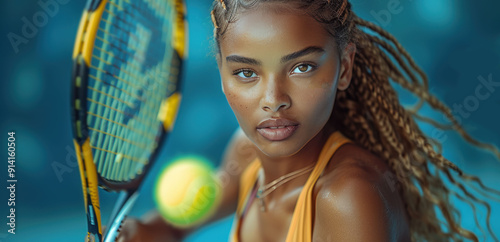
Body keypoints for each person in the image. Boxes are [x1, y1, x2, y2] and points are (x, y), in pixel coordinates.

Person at [118, 0, 500, 241]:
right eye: (246, 73)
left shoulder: (350, 198)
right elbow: (168, 228)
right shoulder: (246, 155)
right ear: (221, 73)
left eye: (302, 67)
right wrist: (141, 231)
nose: (273, 101)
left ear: (344, 67)